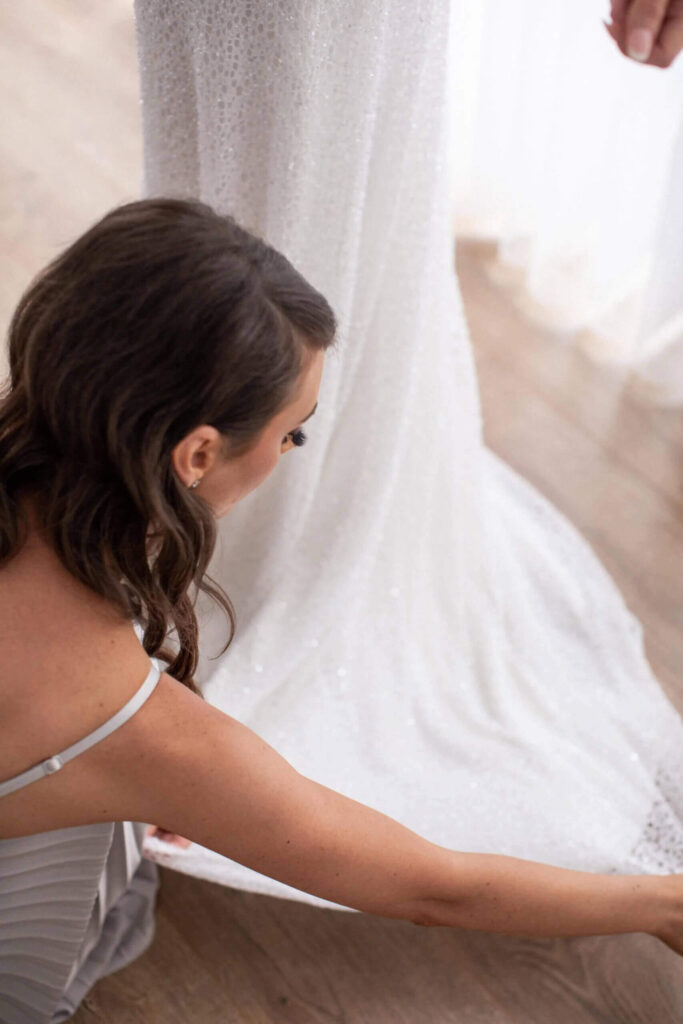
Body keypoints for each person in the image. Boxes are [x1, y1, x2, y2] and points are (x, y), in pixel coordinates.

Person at [0, 197, 682, 1022]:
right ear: (199, 453)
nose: (289, 453)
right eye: (295, 434)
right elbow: (438, 888)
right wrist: (662, 905)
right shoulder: (142, 730)